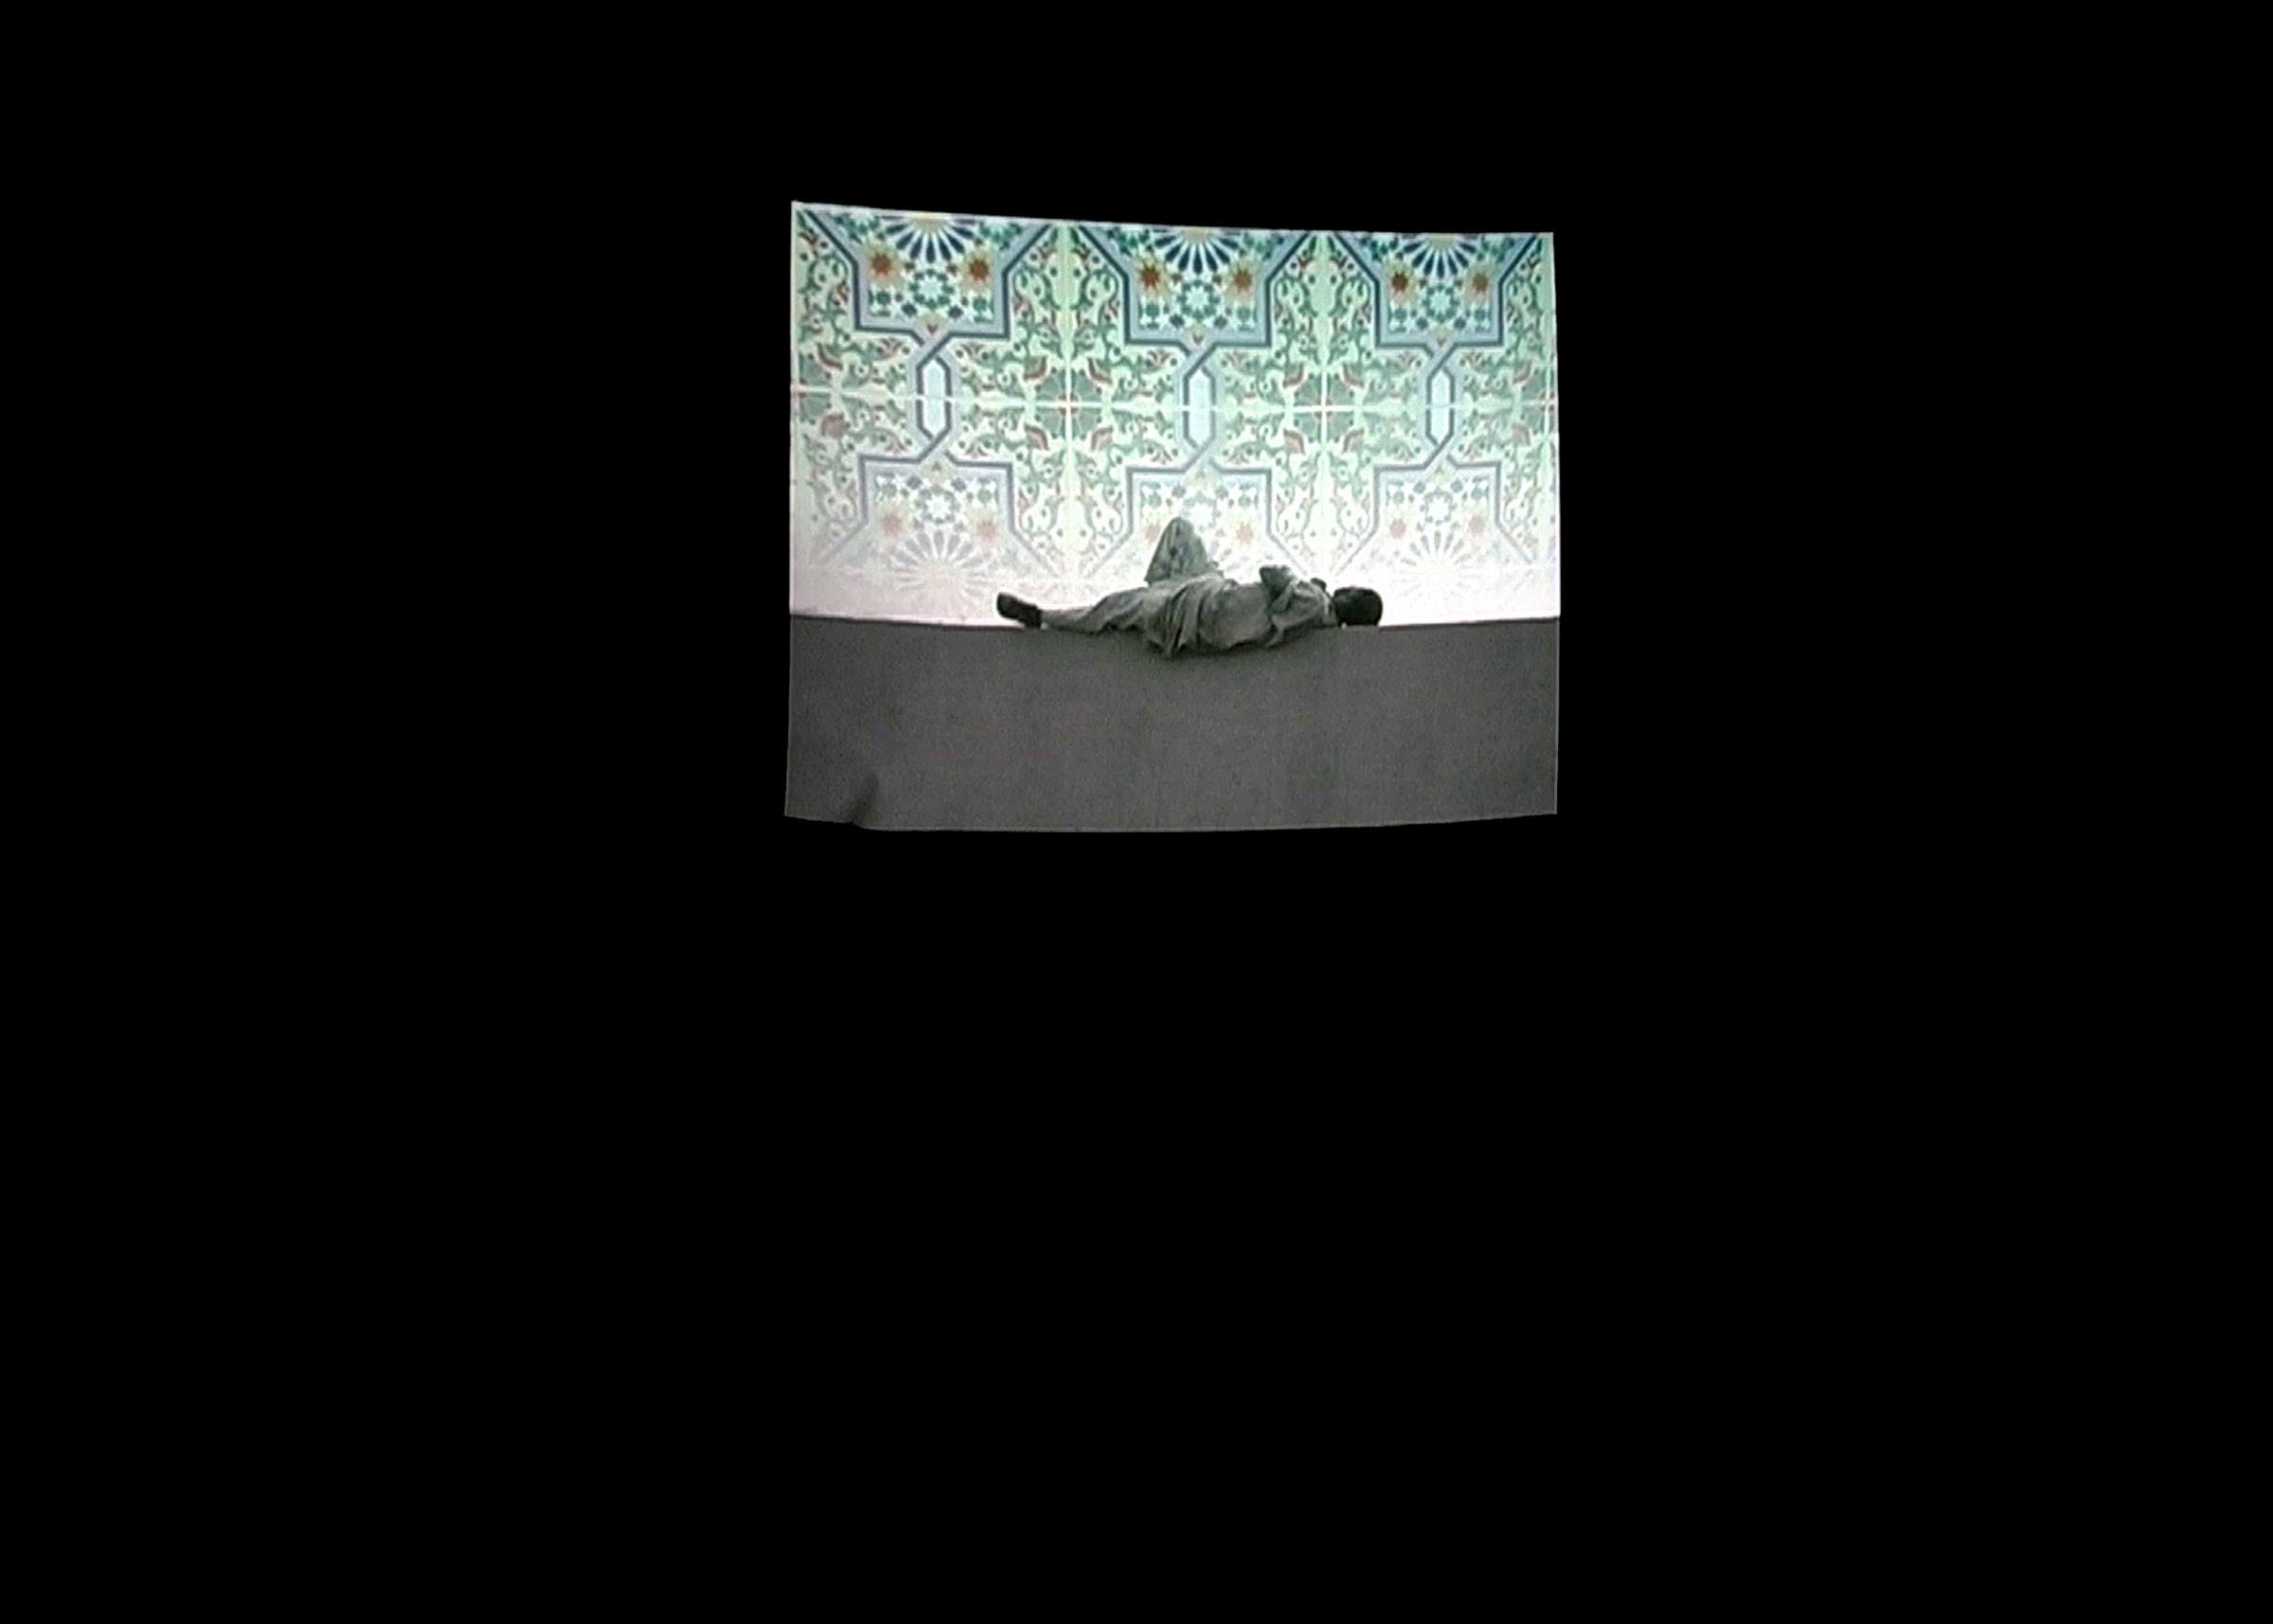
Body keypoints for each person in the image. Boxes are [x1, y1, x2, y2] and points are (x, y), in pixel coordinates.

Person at [995, 518, 1383, 658]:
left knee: (1116, 606)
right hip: (1209, 597)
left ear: (1351, 601)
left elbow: (1271, 572)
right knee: (1179, 535)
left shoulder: (1316, 601)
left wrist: (1310, 582)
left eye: (1353, 592)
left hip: (1205, 605)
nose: (1346, 589)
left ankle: (1044, 617)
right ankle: (1160, 589)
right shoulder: (1317, 619)